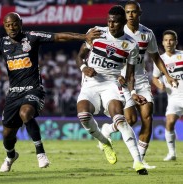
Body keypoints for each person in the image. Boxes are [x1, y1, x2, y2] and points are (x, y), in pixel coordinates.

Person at [0, 12, 99, 172]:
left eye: (14, 24)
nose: (11, 27)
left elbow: (59, 36)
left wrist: (84, 36)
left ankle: (40, 153)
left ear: (21, 23)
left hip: (34, 89)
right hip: (13, 93)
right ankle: (11, 156)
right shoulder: (0, 43)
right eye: (8, 25)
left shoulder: (32, 37)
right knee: (7, 135)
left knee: (26, 113)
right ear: (4, 27)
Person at [100, 1, 178, 169]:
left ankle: (140, 160)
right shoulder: (119, 32)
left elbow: (156, 57)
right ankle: (107, 129)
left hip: (141, 79)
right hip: (122, 79)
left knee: (147, 117)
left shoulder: (147, 34)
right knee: (130, 119)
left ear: (139, 13)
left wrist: (167, 76)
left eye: (133, 12)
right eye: (127, 12)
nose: (130, 15)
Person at [76, 5, 148, 175]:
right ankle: (105, 142)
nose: (111, 25)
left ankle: (138, 162)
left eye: (115, 22)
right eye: (109, 21)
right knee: (84, 117)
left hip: (111, 84)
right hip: (91, 83)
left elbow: (130, 76)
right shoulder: (95, 33)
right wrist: (84, 68)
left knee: (121, 120)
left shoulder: (131, 45)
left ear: (123, 22)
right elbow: (79, 57)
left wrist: (133, 93)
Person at [152, 30, 183, 161]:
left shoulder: (182, 55)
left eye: (171, 40)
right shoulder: (160, 60)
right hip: (174, 98)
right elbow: (155, 78)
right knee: (169, 123)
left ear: (176, 42)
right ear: (163, 43)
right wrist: (159, 85)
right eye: (166, 40)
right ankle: (172, 153)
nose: (168, 42)